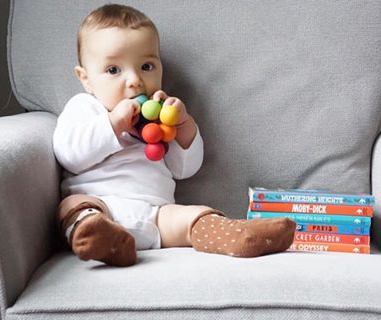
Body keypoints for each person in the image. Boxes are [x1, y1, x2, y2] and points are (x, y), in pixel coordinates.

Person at [53, 4, 296, 267]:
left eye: (146, 66)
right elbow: (69, 155)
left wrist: (184, 126)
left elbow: (184, 169)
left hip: (157, 215)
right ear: (86, 78)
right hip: (102, 206)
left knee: (193, 216)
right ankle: (105, 241)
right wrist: (113, 123)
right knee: (73, 207)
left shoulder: (161, 114)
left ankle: (239, 236)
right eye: (114, 70)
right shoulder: (85, 107)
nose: (134, 80)